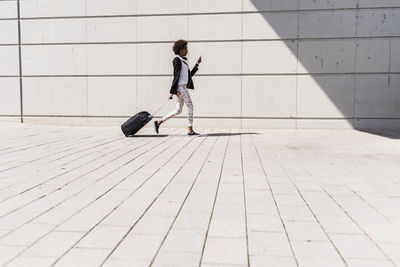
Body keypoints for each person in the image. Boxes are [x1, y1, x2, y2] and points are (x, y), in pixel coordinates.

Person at [154, 39, 202, 136]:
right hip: (180, 88)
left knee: (178, 110)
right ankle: (189, 129)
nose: (187, 51)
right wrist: (172, 91)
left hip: (182, 87)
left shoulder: (184, 61)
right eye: (185, 49)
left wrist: (197, 65)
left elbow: (188, 76)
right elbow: (176, 76)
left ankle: (159, 122)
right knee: (190, 106)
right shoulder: (177, 60)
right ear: (180, 50)